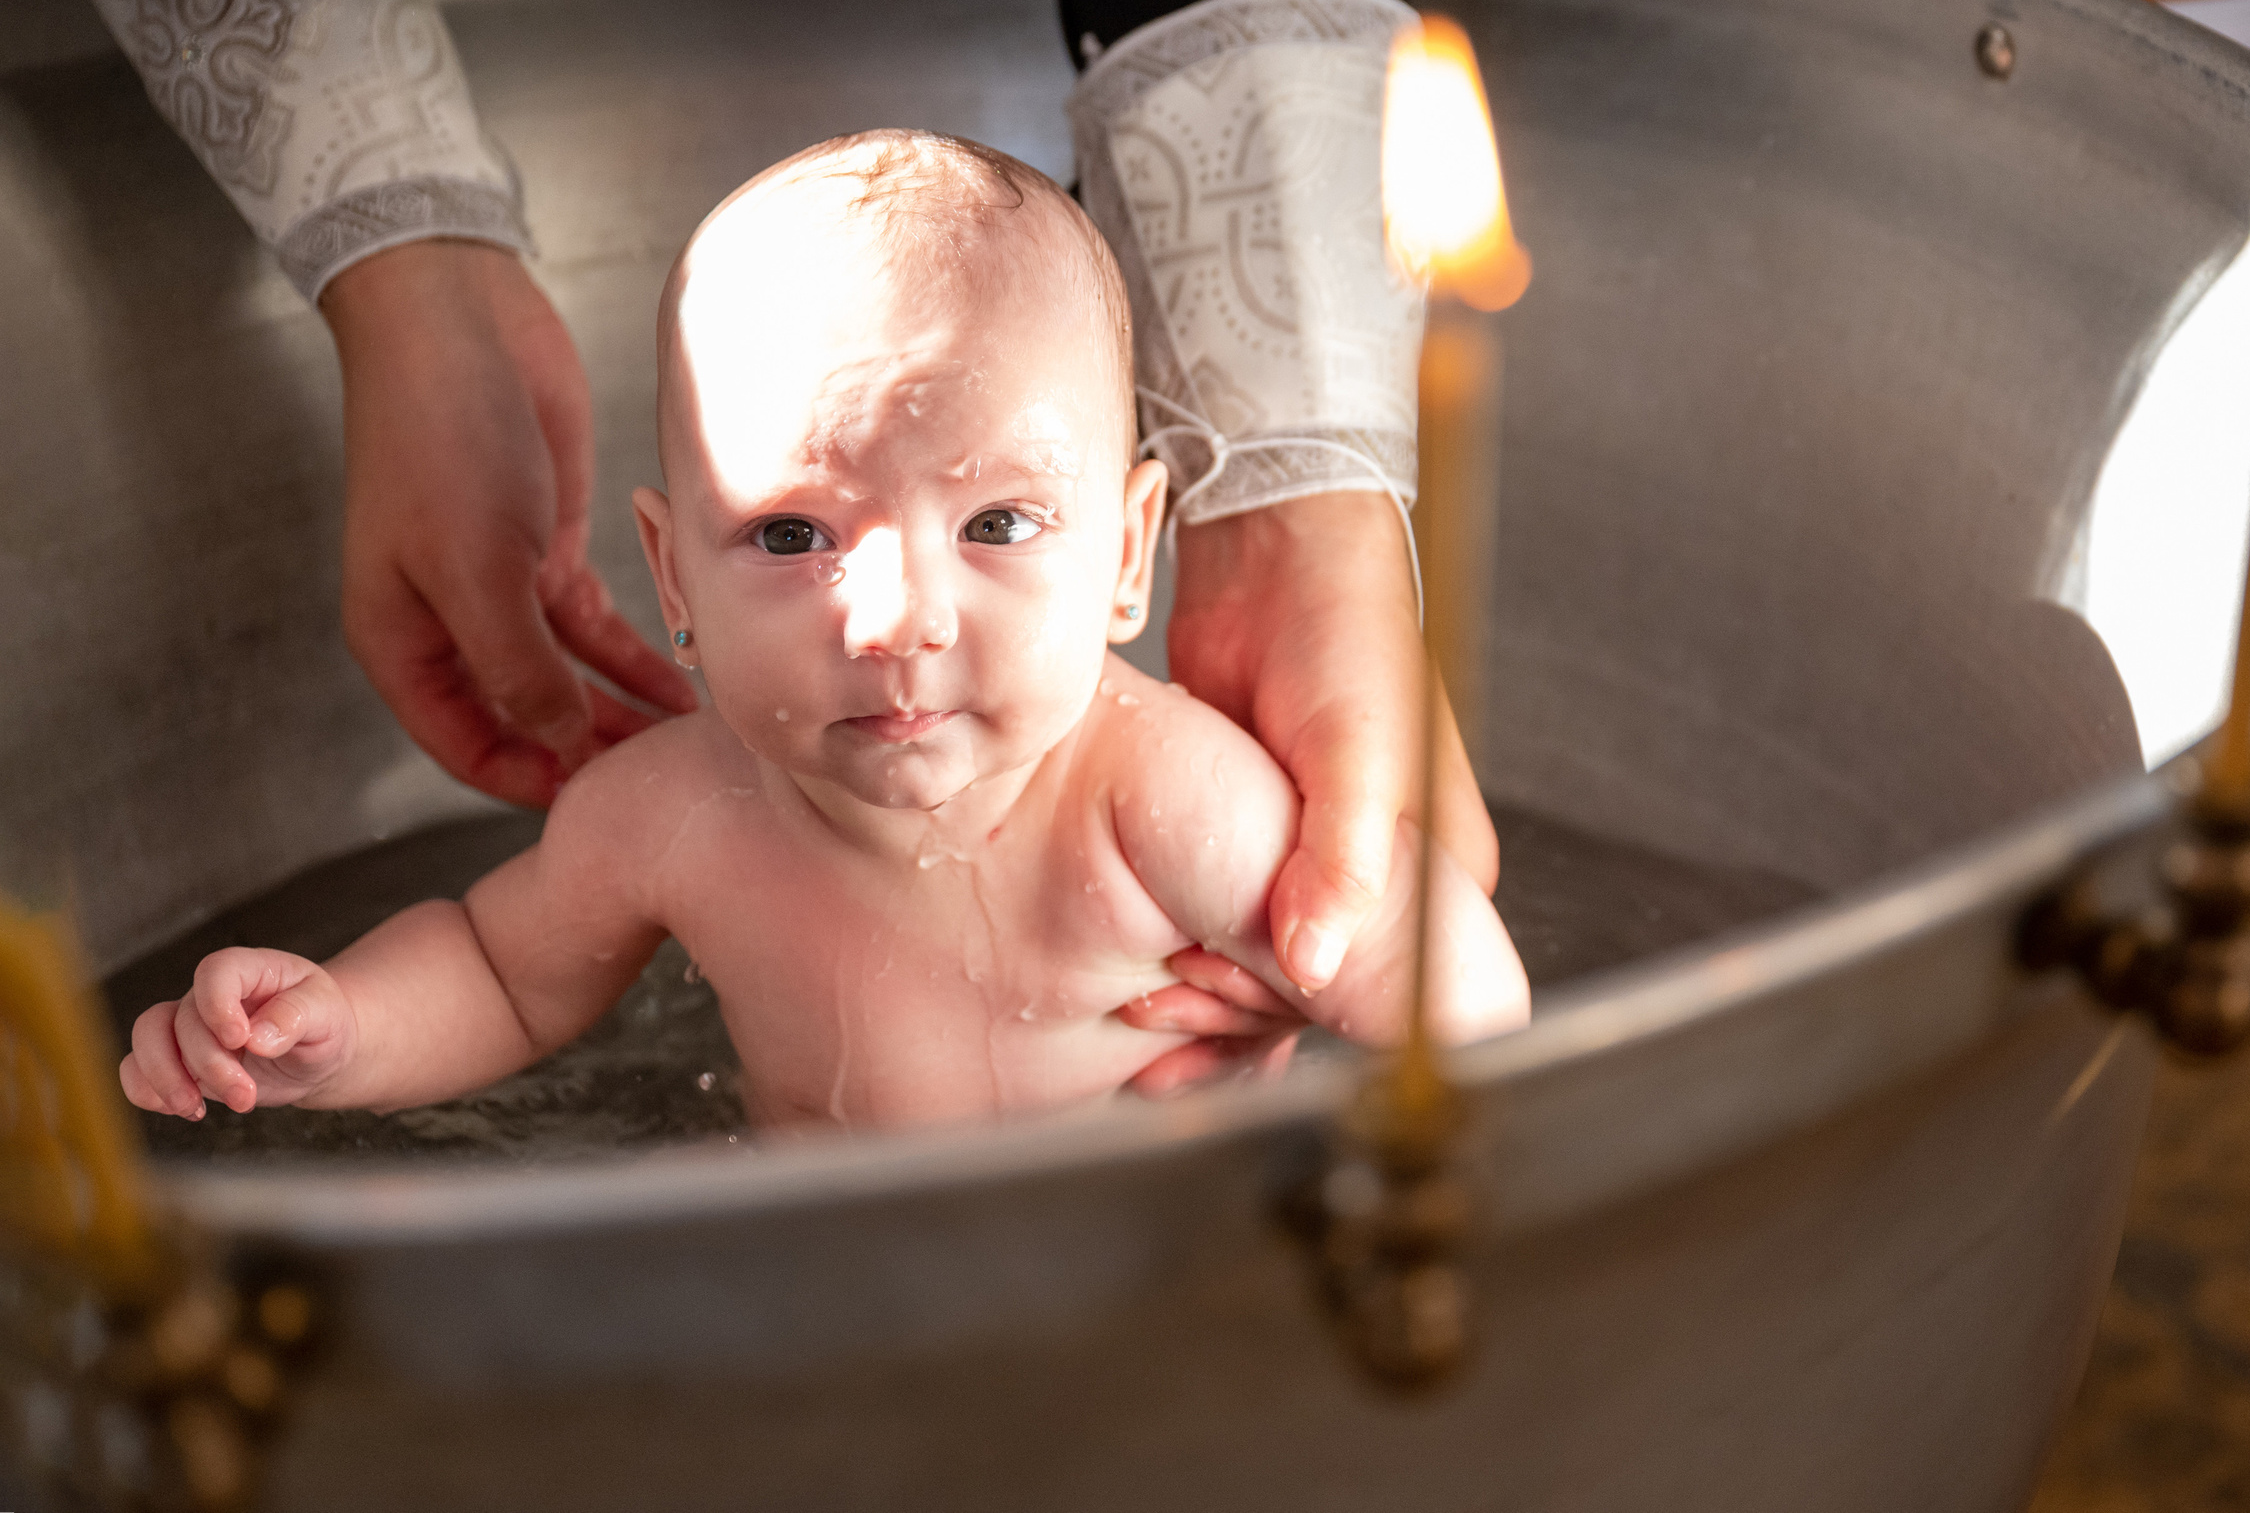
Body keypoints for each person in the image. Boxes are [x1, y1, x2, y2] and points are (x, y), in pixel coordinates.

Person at [117, 131, 1531, 1130]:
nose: (899, 619)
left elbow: (1449, 984)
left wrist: (1403, 1018)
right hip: (825, 1306)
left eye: (999, 526)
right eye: (792, 534)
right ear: (673, 576)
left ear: (1128, 552)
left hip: (1163, 1288)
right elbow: (502, 972)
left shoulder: (1162, 798)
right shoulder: (670, 816)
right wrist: (335, 1031)